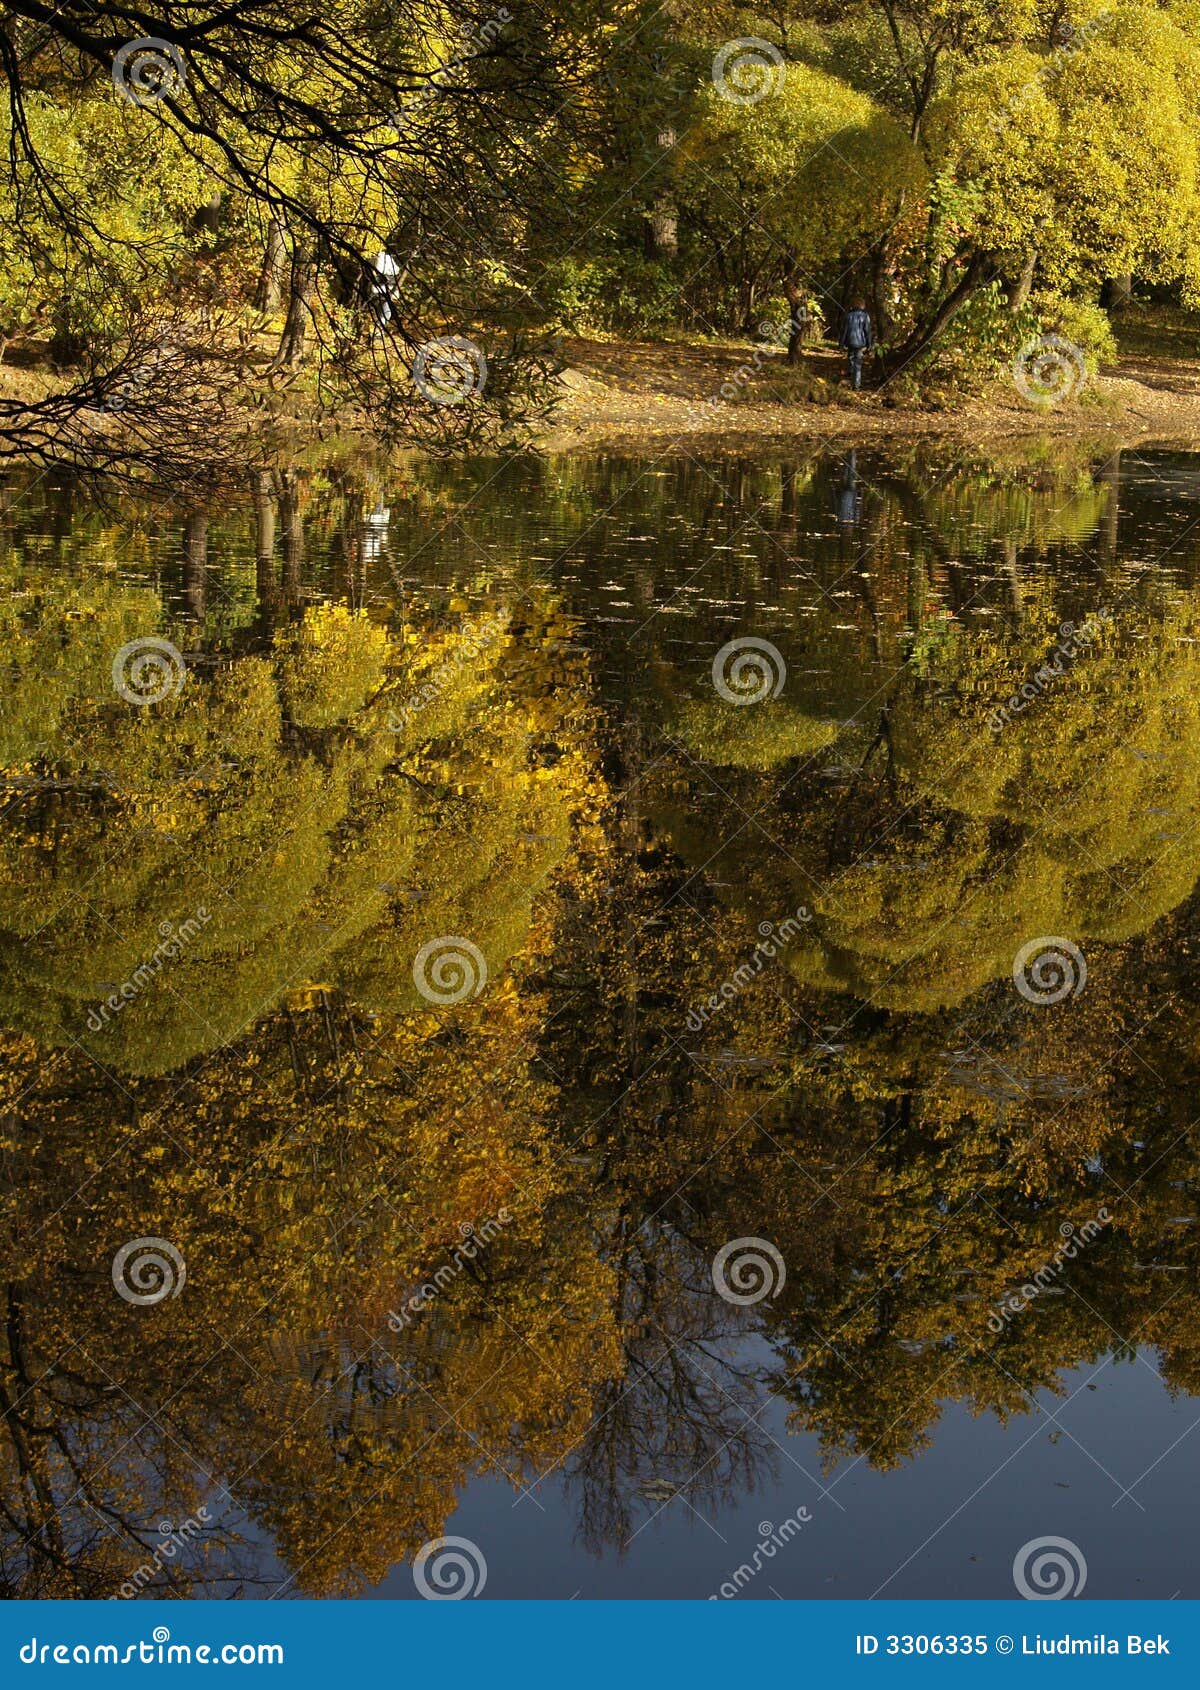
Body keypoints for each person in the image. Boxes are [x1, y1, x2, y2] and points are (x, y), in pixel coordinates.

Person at [839, 298, 875, 391]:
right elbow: (867, 331)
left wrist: (841, 344)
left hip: (850, 341)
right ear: (862, 306)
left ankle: (850, 374)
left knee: (851, 357)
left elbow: (844, 331)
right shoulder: (865, 316)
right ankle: (856, 385)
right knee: (858, 363)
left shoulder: (848, 315)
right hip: (860, 343)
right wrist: (869, 344)